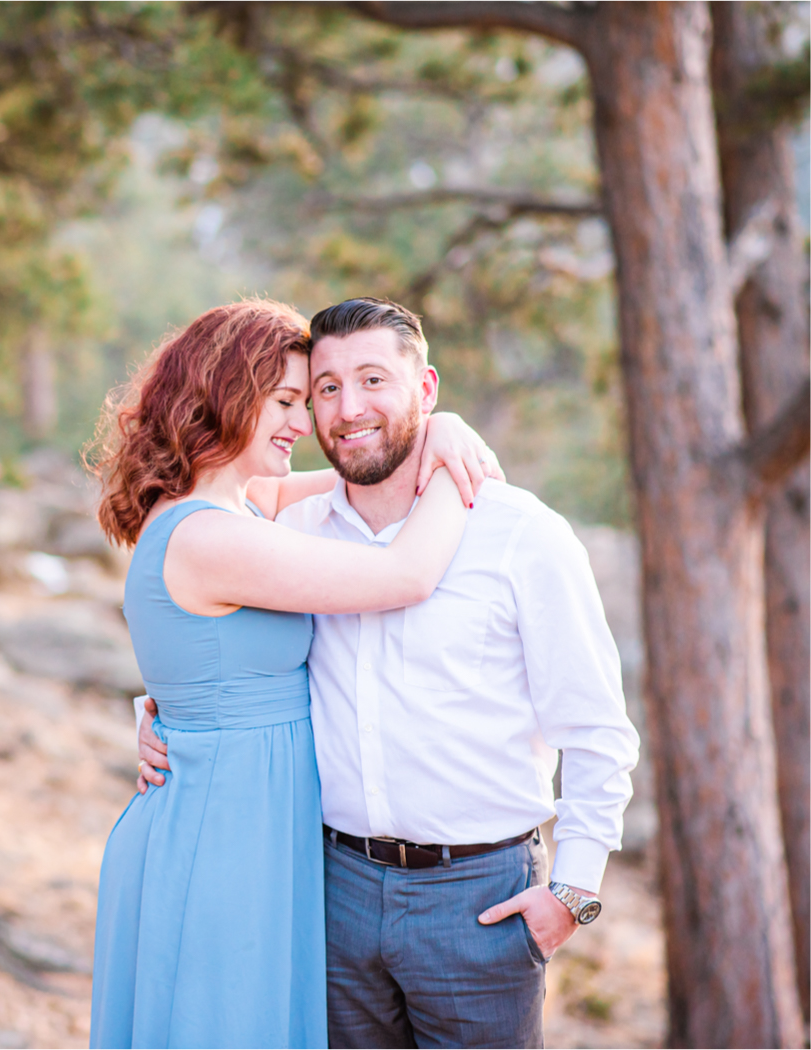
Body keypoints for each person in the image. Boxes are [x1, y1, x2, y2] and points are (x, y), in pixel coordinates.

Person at [137, 297, 640, 1049]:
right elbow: (208, 639)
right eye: (326, 390)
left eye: (374, 379)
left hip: (477, 902)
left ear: (427, 390)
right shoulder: (290, 530)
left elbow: (596, 726)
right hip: (328, 892)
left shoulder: (521, 535)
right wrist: (156, 712)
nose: (347, 408)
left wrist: (576, 891)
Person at [88, 298, 500, 1050]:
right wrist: (455, 471)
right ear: (224, 396)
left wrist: (436, 428)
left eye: (303, 402)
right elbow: (406, 575)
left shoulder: (238, 506)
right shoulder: (209, 536)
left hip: (246, 821)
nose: (303, 424)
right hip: (221, 837)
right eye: (285, 402)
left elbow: (346, 481)